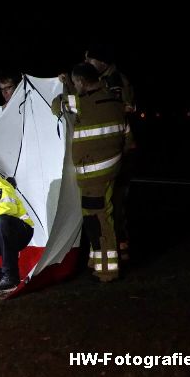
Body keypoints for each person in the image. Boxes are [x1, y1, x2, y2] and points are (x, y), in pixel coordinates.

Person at [51, 62, 127, 282]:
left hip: (93, 173)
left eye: (76, 83)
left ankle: (107, 272)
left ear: (82, 82)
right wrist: (69, 84)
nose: (75, 86)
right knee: (102, 217)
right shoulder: (114, 100)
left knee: (98, 220)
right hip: (112, 169)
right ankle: (96, 262)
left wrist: (65, 88)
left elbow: (58, 105)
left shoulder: (81, 103)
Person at [84, 43, 137, 262]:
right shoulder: (107, 81)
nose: (87, 64)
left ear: (102, 62)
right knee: (110, 205)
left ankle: (119, 252)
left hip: (118, 151)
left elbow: (119, 109)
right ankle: (116, 250)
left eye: (90, 60)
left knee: (114, 204)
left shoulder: (114, 83)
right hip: (114, 150)